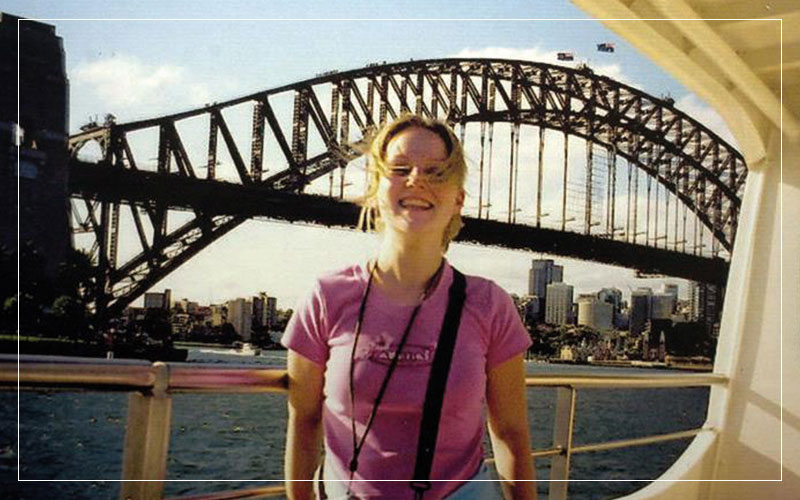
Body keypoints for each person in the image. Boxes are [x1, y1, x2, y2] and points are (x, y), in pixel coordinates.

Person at [282, 114, 537, 500]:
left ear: (458, 200)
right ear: (375, 190)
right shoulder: (327, 297)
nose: (416, 179)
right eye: (400, 169)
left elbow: (511, 435)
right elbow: (304, 421)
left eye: (436, 172)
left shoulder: (489, 305)